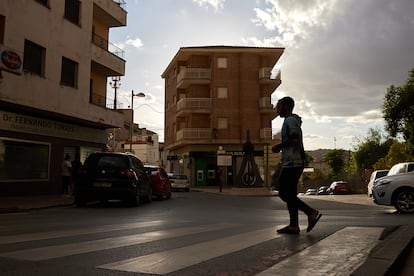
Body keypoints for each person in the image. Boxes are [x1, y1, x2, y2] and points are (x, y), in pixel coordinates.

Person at [272, 96, 322, 235]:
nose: (276, 108)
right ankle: (294, 225)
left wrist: (279, 146)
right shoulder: (292, 120)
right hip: (294, 162)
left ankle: (311, 212)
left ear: (286, 106)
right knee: (290, 194)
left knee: (283, 192)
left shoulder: (290, 120)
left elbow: (294, 138)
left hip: (292, 163)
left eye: (279, 105)